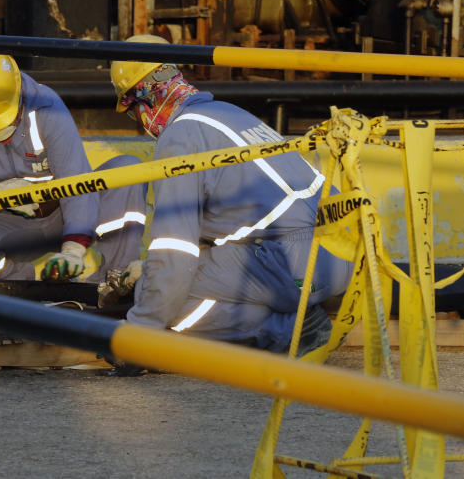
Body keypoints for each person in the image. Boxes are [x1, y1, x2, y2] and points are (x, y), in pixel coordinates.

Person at [108, 35, 352, 354]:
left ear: (144, 98)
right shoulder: (228, 113)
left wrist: (136, 332)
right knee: (163, 281)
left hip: (294, 264)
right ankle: (297, 316)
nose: (139, 123)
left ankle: (292, 329)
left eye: (132, 112)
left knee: (162, 298)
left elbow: (175, 258)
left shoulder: (179, 140)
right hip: (340, 255)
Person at [0, 52, 147, 282]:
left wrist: (73, 250)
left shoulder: (46, 104)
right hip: (8, 225)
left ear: (18, 88)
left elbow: (77, 183)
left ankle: (114, 281)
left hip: (61, 215)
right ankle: (14, 286)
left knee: (128, 171)